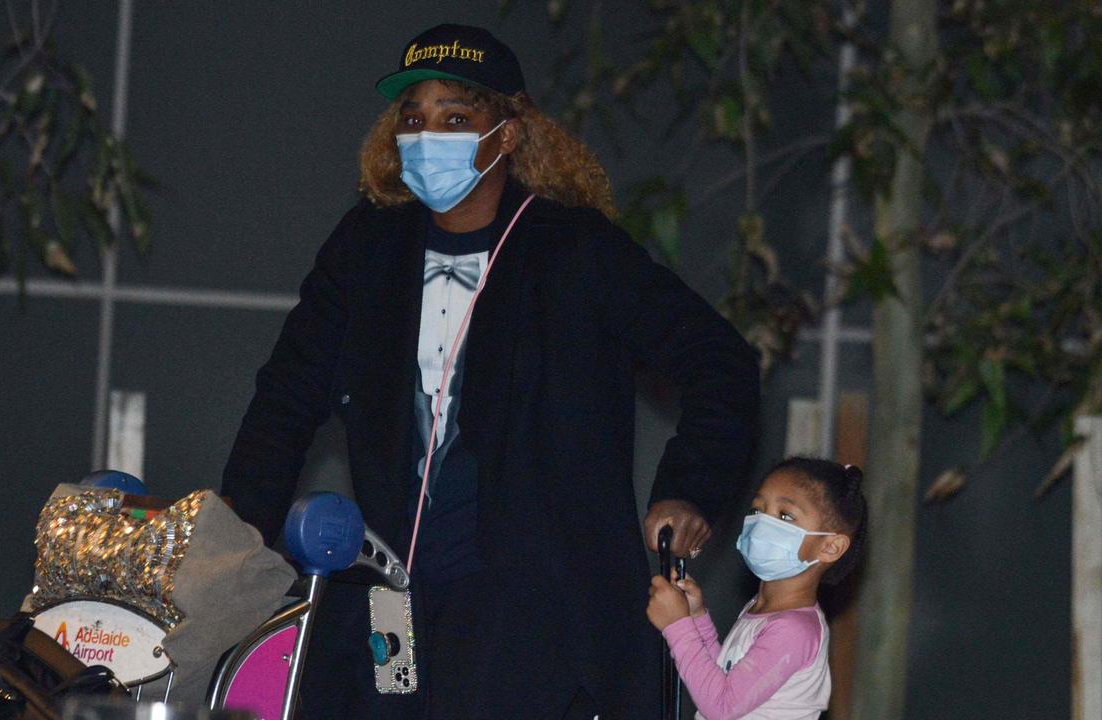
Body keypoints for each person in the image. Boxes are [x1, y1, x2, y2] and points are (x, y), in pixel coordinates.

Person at [222, 23, 759, 719]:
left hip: (529, 603)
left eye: (455, 118)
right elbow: (287, 394)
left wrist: (689, 489)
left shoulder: (573, 250)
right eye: (412, 119)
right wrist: (239, 522)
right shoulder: (369, 248)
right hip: (392, 595)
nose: (426, 136)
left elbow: (721, 361)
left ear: (506, 133)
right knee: (362, 695)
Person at [646, 458, 869, 720]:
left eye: (785, 516)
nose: (762, 522)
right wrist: (696, 619)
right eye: (756, 510)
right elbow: (726, 680)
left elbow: (721, 707)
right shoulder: (763, 610)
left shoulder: (795, 630)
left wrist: (678, 625)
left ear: (830, 547)